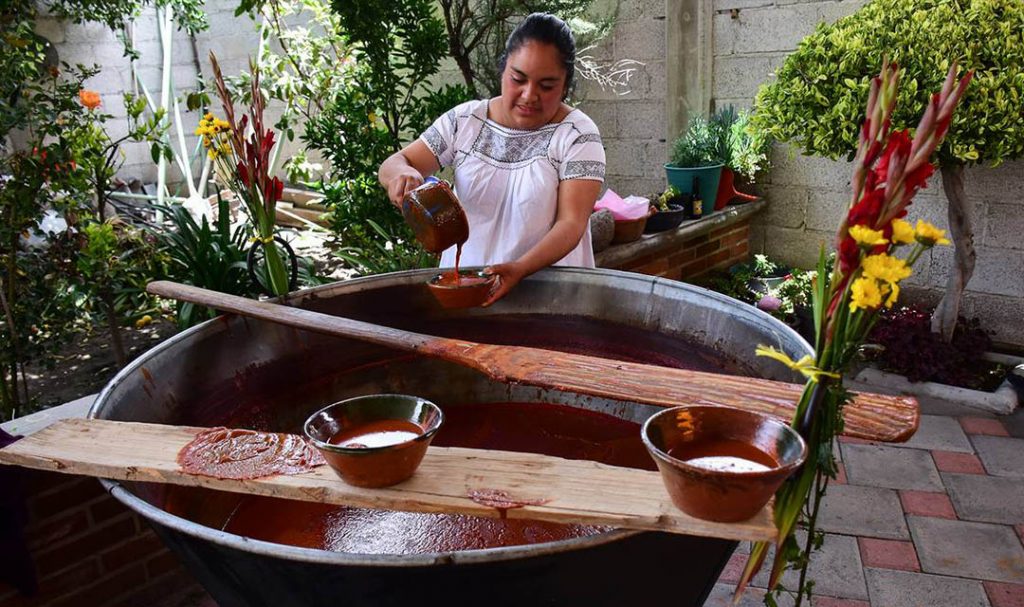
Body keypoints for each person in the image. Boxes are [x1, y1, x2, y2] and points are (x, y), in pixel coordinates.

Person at [377, 12, 606, 305]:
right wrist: (401, 175)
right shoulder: (465, 120)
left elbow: (571, 224)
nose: (529, 95)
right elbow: (395, 162)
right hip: (465, 291)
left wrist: (520, 270)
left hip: (550, 300)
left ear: (565, 86)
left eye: (546, 86)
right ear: (503, 70)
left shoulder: (577, 134)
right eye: (518, 79)